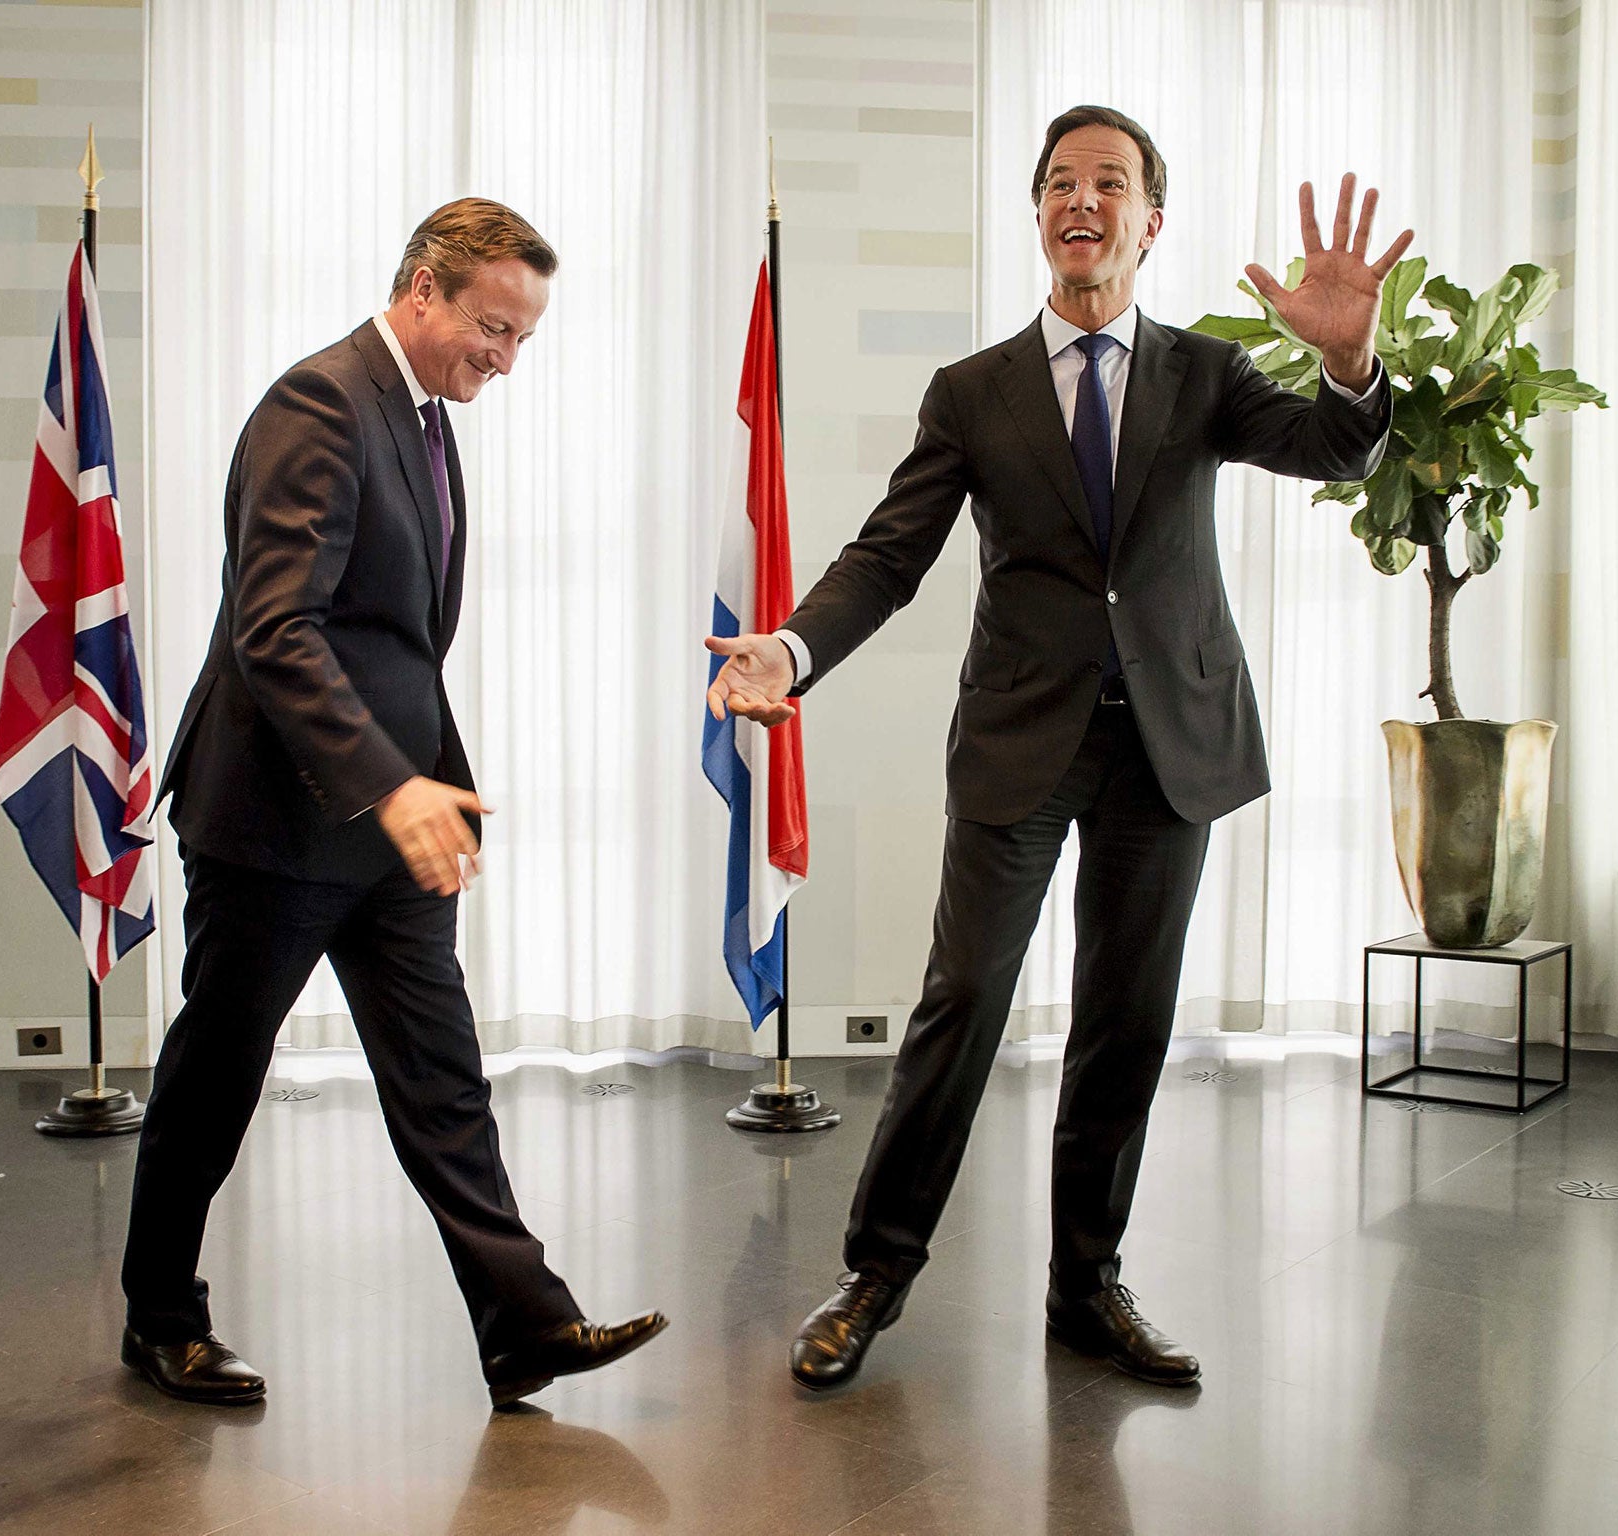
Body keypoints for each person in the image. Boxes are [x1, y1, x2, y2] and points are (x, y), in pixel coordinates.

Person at [707, 106, 1408, 1390]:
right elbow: (889, 554)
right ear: (1035, 214)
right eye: (1060, 184)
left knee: (1124, 1019)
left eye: (1111, 184)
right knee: (961, 1001)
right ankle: (875, 1275)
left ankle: (1086, 1287)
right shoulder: (972, 392)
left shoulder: (1203, 375)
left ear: (1151, 220)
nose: (1082, 202)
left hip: (1169, 743)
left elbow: (1333, 449)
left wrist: (1353, 363)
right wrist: (791, 652)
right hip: (1018, 742)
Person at [122, 198, 665, 1409]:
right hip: (275, 822)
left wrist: (427, 784)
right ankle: (159, 1320)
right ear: (424, 288)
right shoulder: (319, 404)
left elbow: (393, 645)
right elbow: (279, 631)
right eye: (492, 327)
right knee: (216, 1075)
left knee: (441, 1078)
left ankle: (525, 1323)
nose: (506, 359)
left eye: (523, 338)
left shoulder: (418, 418)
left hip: (391, 832)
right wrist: (390, 782)